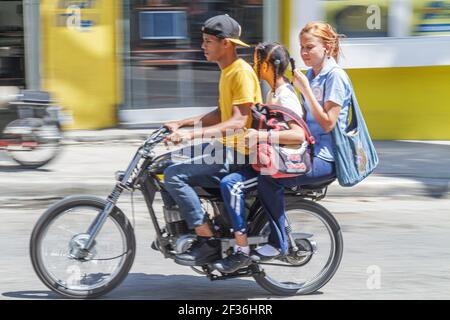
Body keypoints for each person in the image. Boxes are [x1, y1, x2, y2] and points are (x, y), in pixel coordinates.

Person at [162, 14, 263, 266]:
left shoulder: (241, 73)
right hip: (224, 148)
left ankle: (206, 240)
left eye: (208, 41)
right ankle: (182, 229)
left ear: (226, 43)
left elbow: (238, 121)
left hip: (239, 153)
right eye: (203, 41)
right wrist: (181, 123)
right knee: (161, 167)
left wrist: (190, 135)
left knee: (175, 174)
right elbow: (220, 114)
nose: (202, 46)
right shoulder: (227, 71)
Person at [254, 22, 353, 260]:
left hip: (326, 158)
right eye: (301, 47)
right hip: (309, 150)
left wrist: (306, 90)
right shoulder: (311, 75)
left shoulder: (335, 77)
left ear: (327, 47)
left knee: (270, 178)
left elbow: (328, 123)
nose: (304, 53)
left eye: (310, 47)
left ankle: (278, 243)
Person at [213, 42, 306, 273]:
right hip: (264, 161)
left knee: (231, 185)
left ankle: (241, 252)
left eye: (257, 60)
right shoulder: (272, 92)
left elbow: (298, 135)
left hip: (278, 166)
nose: (253, 65)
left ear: (267, 65)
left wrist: (260, 135)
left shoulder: (286, 95)